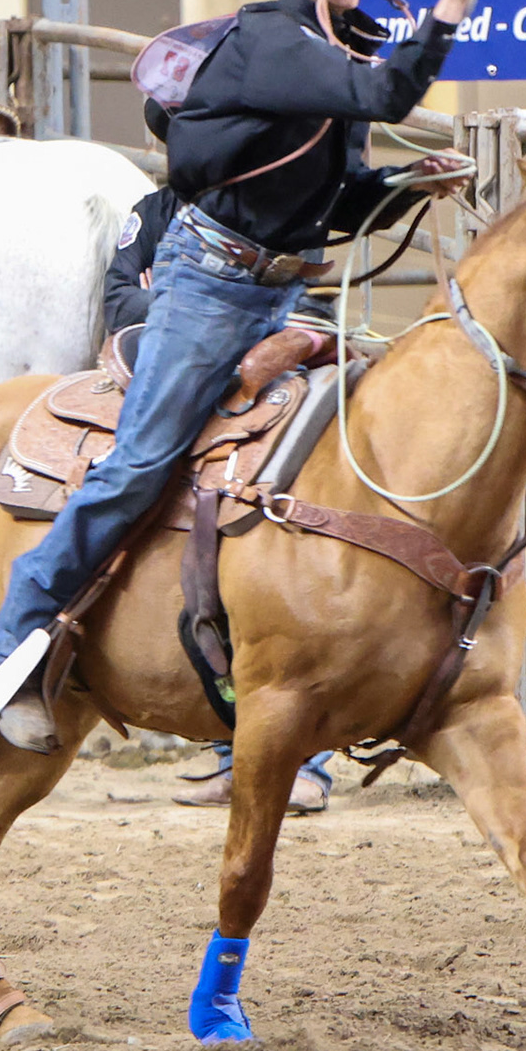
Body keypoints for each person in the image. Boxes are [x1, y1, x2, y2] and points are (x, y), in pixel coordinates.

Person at [0, 0, 490, 753]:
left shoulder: (330, 54)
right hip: (211, 287)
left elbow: (339, 193)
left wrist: (404, 186)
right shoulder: (273, 42)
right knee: (143, 462)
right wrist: (450, 3)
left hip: (278, 285)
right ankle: (16, 638)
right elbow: (386, 100)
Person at [102, 173, 334, 815]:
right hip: (189, 383)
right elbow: (117, 300)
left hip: (261, 390)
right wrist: (200, 312)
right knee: (202, 559)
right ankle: (241, 753)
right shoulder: (150, 214)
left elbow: (310, 311)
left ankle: (304, 761)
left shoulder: (275, 207)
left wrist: (178, 304)